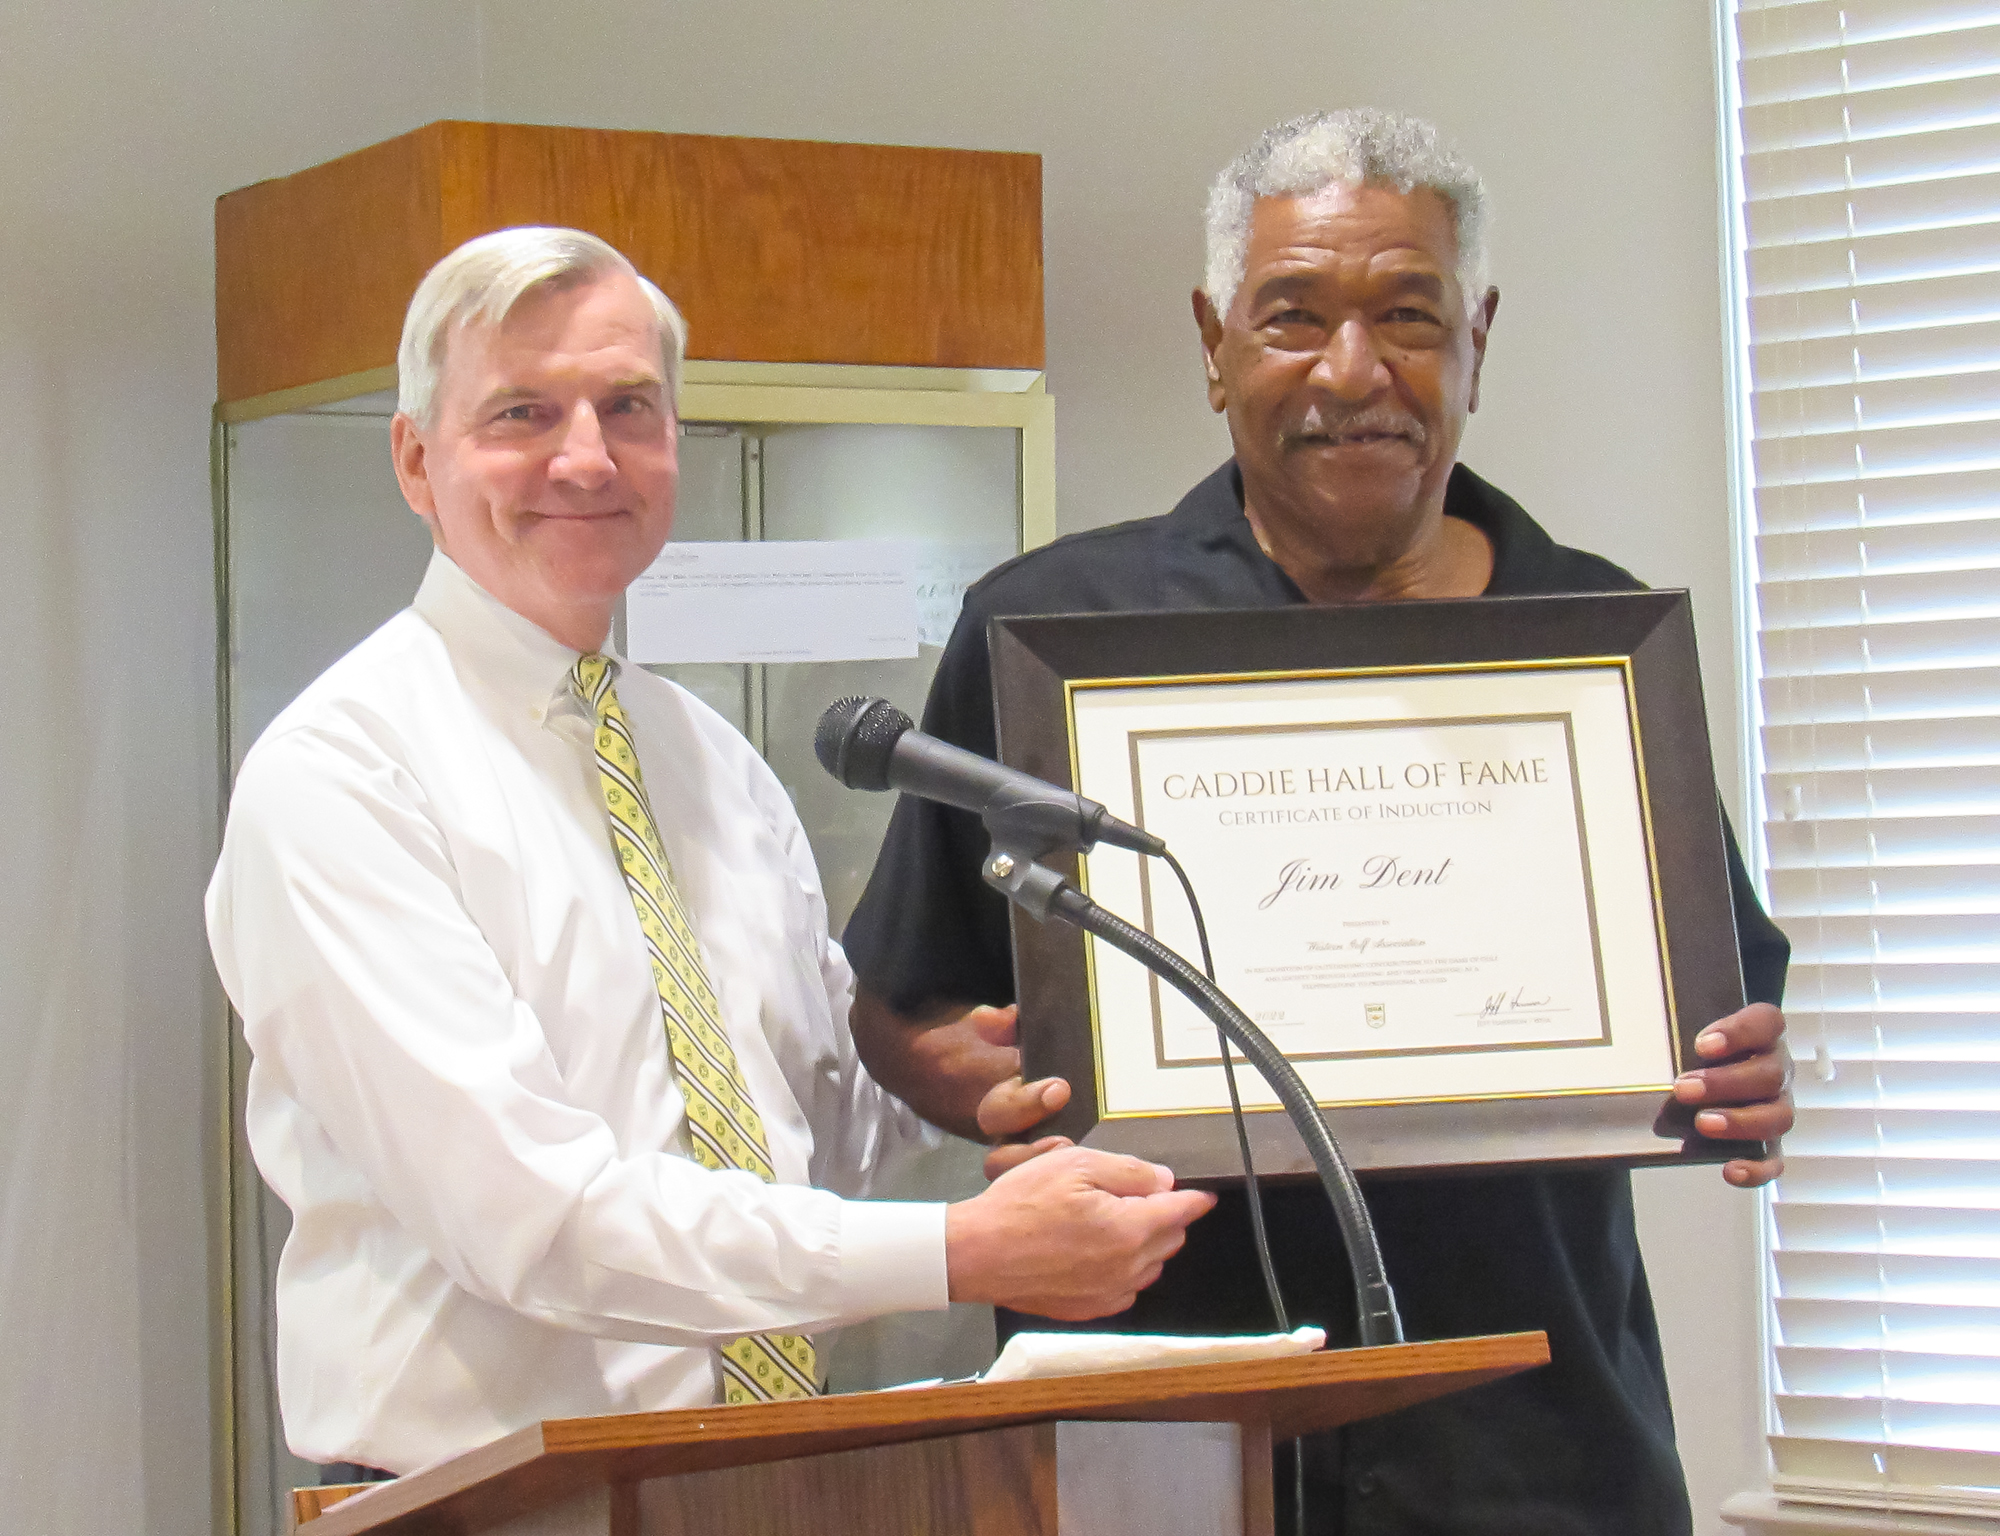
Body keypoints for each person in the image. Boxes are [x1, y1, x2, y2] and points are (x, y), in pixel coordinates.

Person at [840, 110, 1795, 1536]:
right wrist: (967, 1081)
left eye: (1408, 316)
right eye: (1294, 319)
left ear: (1477, 338)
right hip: (1154, 1444)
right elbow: (901, 1003)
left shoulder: (1590, 649)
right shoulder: (1051, 640)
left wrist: (1738, 1077)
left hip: (1534, 1455)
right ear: (1213, 342)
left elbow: (1715, 1009)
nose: (1355, 374)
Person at [204, 226, 1213, 1479]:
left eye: (628, 407)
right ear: (415, 459)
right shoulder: (344, 777)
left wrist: (939, 1073)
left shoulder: (708, 759)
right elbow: (537, 1221)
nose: (585, 457)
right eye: (522, 412)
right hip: (489, 1505)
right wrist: (961, 1251)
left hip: (771, 1480)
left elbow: (801, 1138)